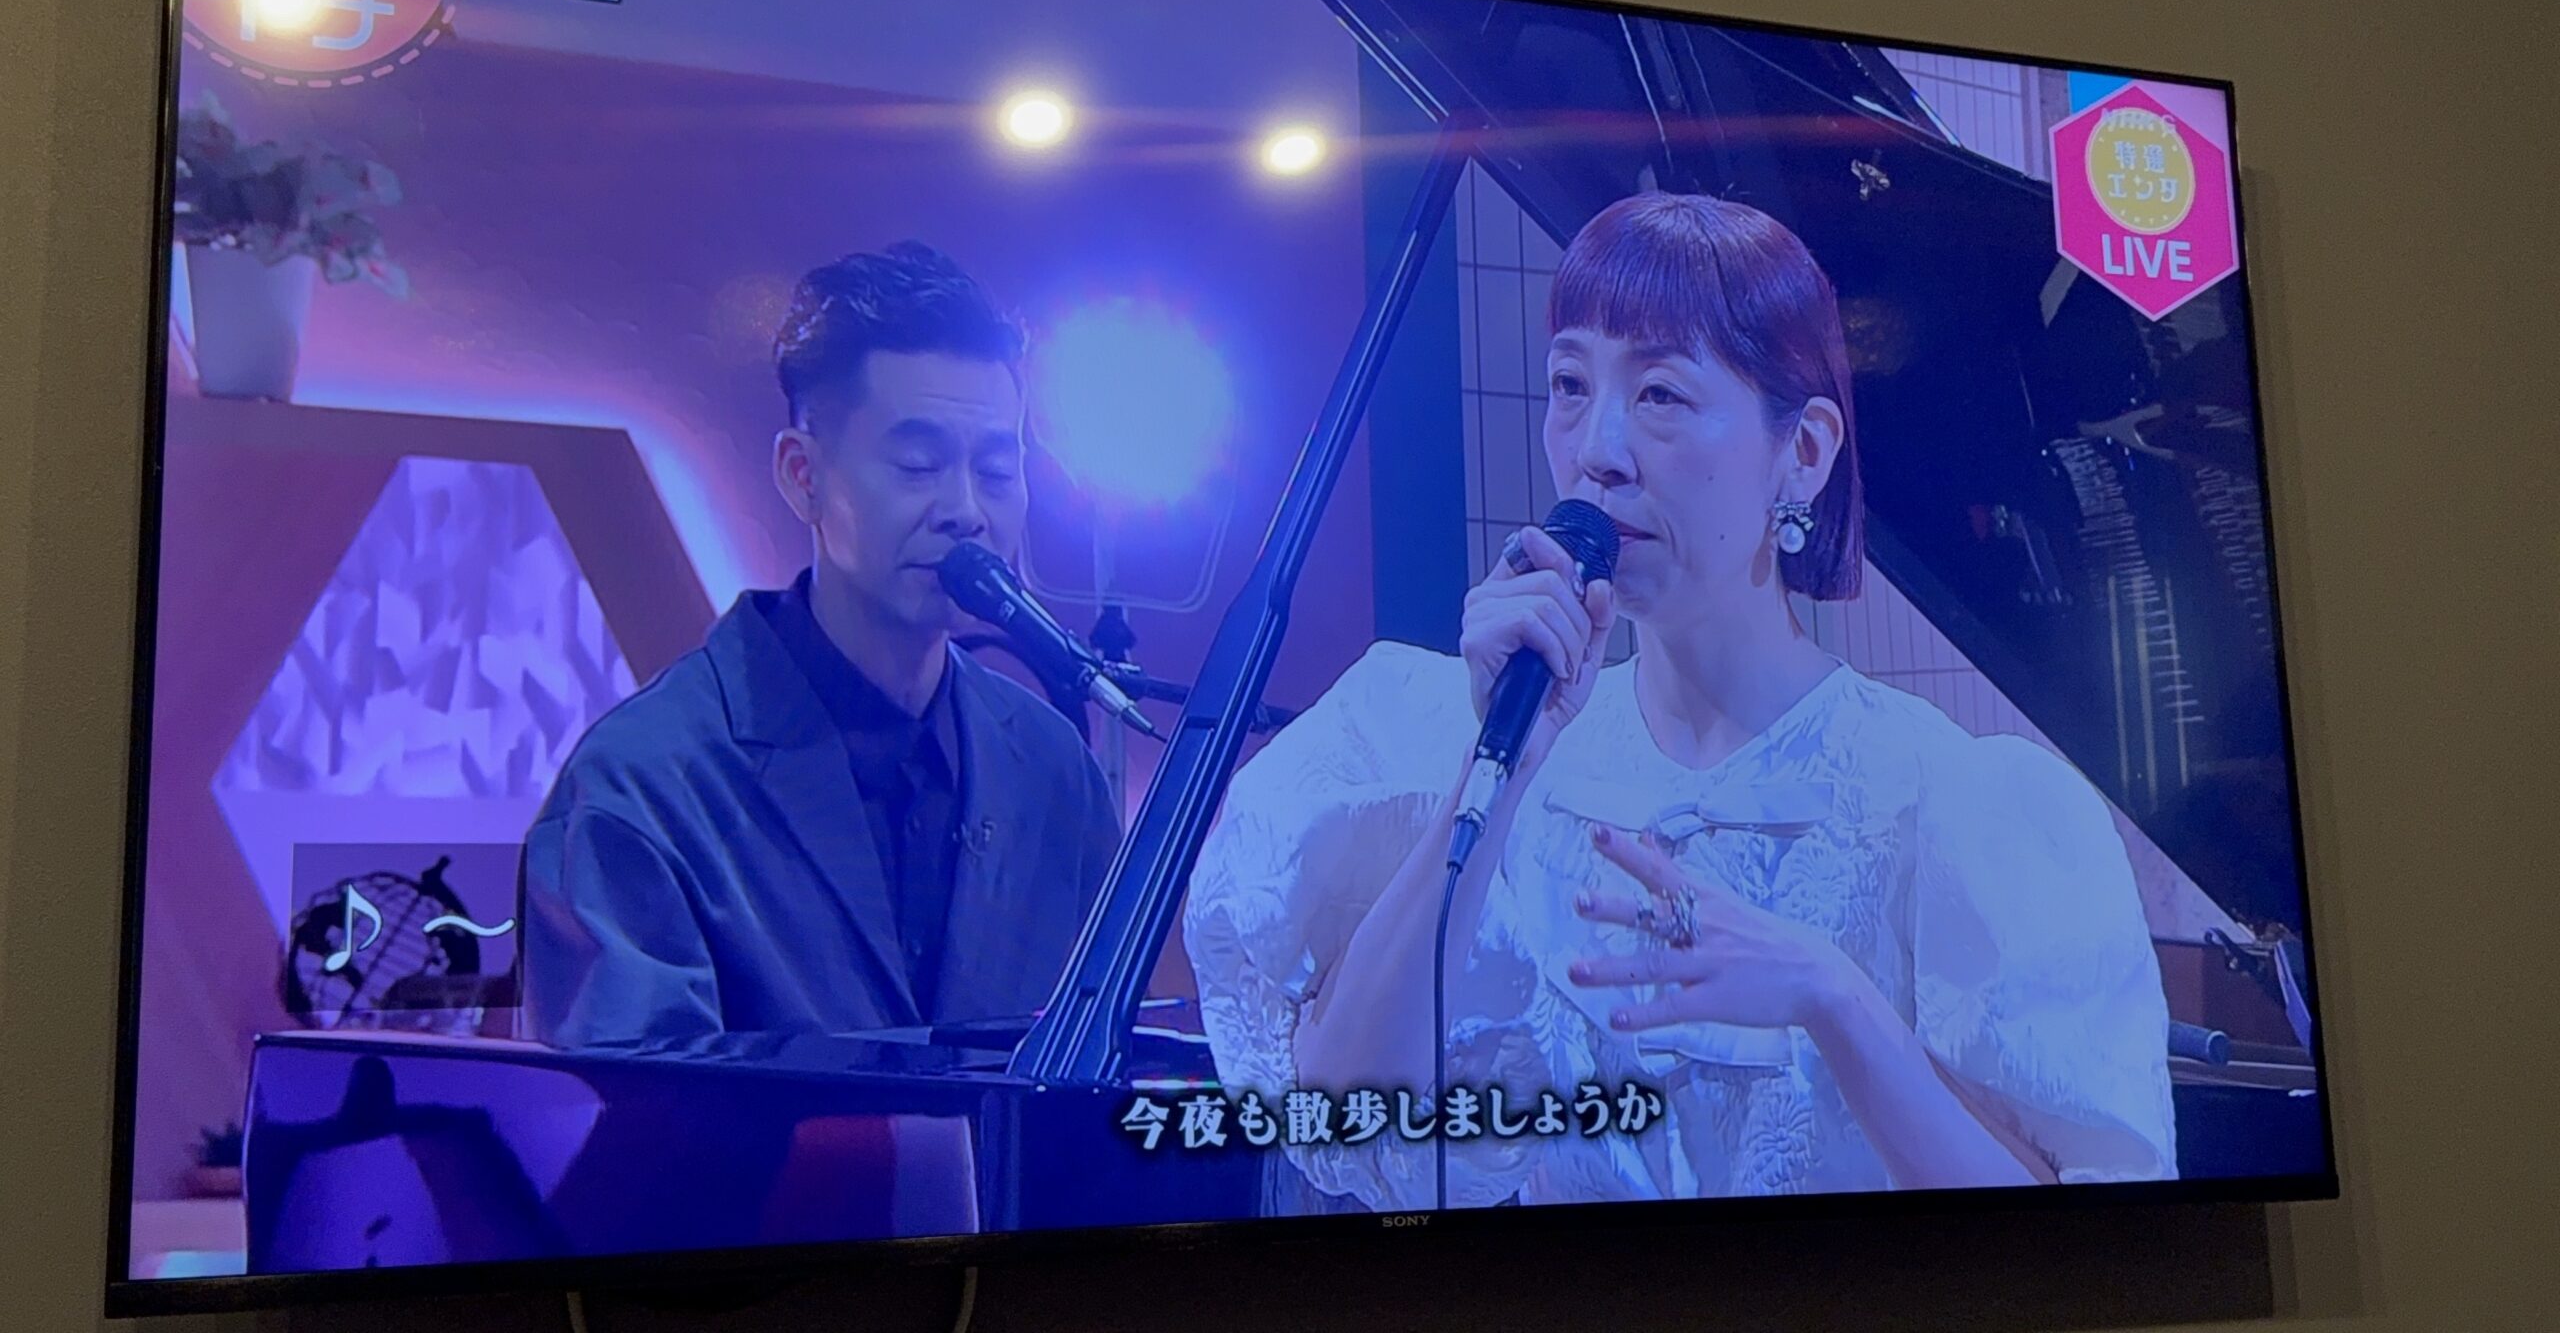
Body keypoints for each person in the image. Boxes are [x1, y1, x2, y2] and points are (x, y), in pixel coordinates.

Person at [1185, 194, 2174, 1209]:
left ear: (1804, 452)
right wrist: (1501, 767)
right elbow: (1349, 1121)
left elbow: (2075, 1245)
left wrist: (1833, 996)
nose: (1597, 449)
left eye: (1659, 393)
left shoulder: (1956, 799)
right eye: (1569, 385)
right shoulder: (1483, 748)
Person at [520, 242, 1120, 1046]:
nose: (965, 511)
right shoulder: (643, 782)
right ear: (803, 476)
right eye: (918, 465)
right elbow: (630, 1108)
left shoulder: (1054, 769)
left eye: (995, 471)